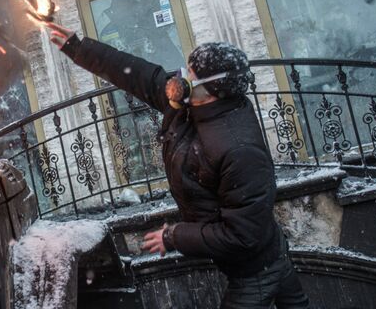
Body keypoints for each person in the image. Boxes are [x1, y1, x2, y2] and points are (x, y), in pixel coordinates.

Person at [44, 22, 310, 308]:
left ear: (211, 88)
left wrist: (174, 237)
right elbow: (137, 75)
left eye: (190, 75)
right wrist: (78, 48)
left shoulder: (239, 150)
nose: (180, 78)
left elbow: (242, 236)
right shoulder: (188, 104)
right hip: (266, 256)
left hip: (255, 270)